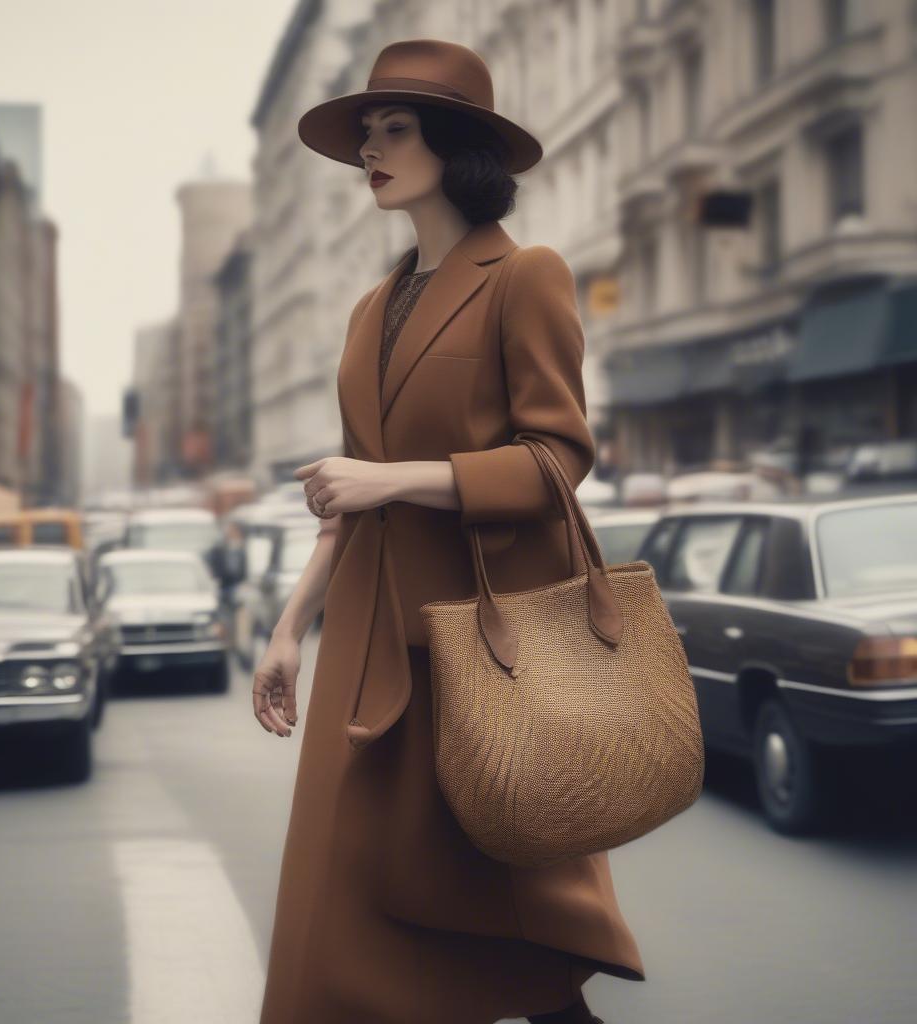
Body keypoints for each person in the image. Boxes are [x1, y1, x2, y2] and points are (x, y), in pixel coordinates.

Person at [253, 39, 645, 1024]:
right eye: (365, 136)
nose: (370, 152)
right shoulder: (366, 311)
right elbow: (345, 497)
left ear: (455, 146)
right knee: (340, 912)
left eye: (394, 129)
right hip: (361, 645)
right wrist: (287, 630)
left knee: (507, 912)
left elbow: (556, 459)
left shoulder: (527, 276)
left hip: (477, 646)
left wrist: (392, 476)